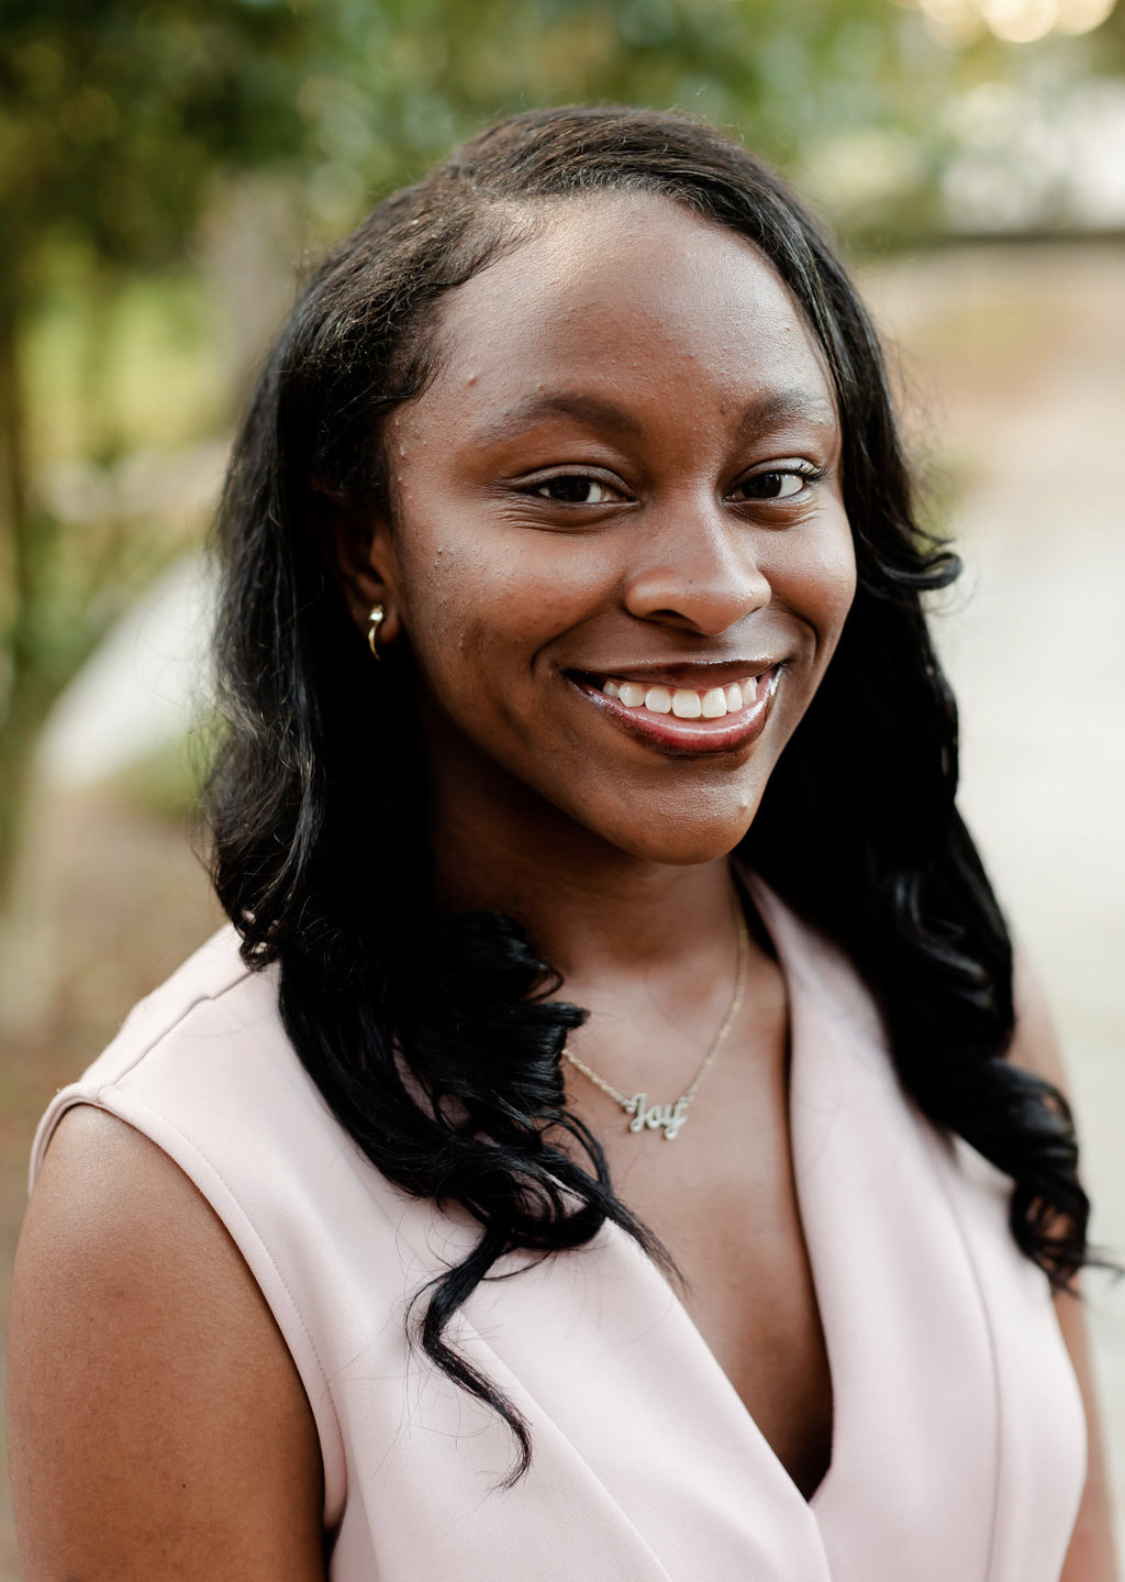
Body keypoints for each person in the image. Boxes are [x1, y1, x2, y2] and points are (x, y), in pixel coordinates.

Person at [8, 106, 1118, 1581]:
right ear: (365, 547)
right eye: (573, 489)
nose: (712, 585)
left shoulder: (945, 998)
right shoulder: (181, 1194)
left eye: (774, 479)